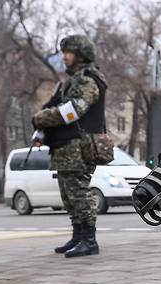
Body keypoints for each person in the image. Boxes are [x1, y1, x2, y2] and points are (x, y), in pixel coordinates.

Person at [32, 35, 108, 257]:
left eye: (68, 52)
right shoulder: (71, 81)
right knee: (69, 195)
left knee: (79, 193)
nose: (64, 56)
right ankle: (78, 236)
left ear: (81, 54)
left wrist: (41, 118)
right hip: (66, 147)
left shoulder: (88, 80)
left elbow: (74, 110)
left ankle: (89, 241)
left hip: (79, 147)